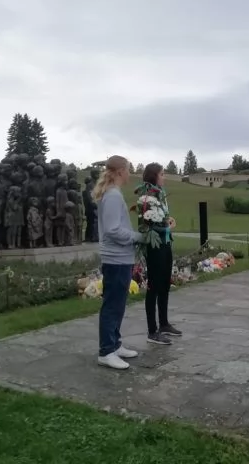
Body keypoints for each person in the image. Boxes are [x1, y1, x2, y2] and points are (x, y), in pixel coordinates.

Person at [95, 155, 143, 370]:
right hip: (115, 258)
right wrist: (138, 237)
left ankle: (114, 344)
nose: (130, 173)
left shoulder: (114, 193)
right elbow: (113, 230)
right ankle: (106, 351)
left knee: (118, 304)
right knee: (112, 305)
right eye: (128, 169)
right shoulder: (113, 195)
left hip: (121, 257)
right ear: (121, 171)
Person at [138, 163, 180, 346]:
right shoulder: (146, 198)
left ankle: (164, 323)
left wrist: (167, 221)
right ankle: (152, 330)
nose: (164, 177)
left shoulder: (160, 195)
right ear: (153, 176)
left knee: (164, 283)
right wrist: (167, 228)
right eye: (162, 174)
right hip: (155, 246)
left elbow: (161, 219)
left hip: (165, 244)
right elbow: (147, 227)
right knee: (154, 286)